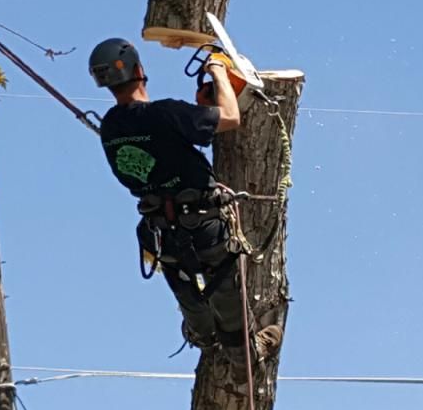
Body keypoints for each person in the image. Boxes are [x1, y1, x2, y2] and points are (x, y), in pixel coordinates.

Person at [89, 37, 282, 384]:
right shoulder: (165, 113)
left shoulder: (111, 127)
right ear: (139, 70)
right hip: (202, 226)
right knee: (225, 292)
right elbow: (230, 117)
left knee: (186, 286)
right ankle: (245, 361)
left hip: (161, 232)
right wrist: (219, 71)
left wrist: (196, 114)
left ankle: (203, 335)